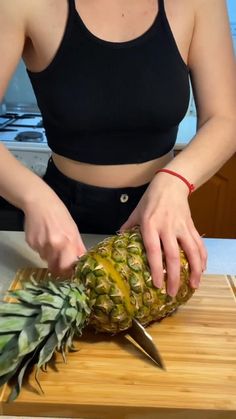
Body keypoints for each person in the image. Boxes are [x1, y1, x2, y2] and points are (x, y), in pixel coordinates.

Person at [0, 0, 235, 298]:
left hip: (161, 216)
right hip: (63, 222)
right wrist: (33, 197)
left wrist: (173, 182)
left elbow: (225, 119)